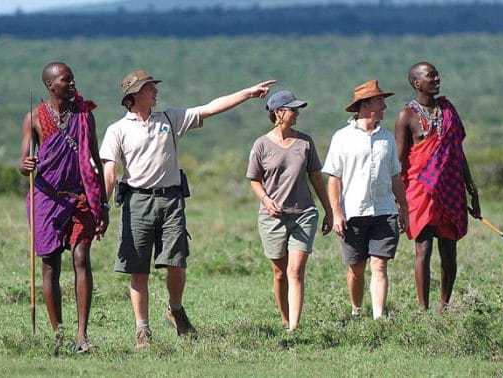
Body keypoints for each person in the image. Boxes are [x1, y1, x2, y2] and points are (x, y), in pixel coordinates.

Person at [100, 69, 275, 348]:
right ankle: (142, 329)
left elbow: (209, 108)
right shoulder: (117, 130)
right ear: (134, 95)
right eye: (149, 88)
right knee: (138, 269)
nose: (155, 91)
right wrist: (102, 206)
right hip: (136, 201)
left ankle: (175, 308)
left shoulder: (170, 118)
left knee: (177, 262)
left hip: (171, 200)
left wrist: (248, 93)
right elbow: (110, 172)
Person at [19, 62, 109, 353]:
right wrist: (26, 164)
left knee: (81, 257)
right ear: (51, 85)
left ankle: (82, 336)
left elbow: (95, 158)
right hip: (46, 199)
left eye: (72, 79)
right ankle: (59, 335)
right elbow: (23, 161)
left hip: (80, 197)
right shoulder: (34, 118)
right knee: (50, 266)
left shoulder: (85, 116)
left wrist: (102, 204)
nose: (72, 84)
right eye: (66, 80)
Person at [394, 62, 481, 314]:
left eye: (437, 74)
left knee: (449, 250)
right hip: (419, 190)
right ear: (416, 83)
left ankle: (444, 305)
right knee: (423, 248)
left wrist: (472, 190)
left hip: (450, 189)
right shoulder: (406, 116)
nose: (436, 78)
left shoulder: (448, 110)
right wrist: (399, 202)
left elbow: (457, 152)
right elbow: (398, 161)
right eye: (430, 76)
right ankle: (423, 309)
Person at [246, 90, 333, 332]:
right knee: (280, 273)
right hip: (272, 217)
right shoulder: (261, 145)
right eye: (293, 109)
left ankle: (293, 327)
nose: (297, 113)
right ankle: (285, 318)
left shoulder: (305, 142)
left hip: (303, 213)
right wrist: (265, 199)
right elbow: (254, 179)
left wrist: (329, 210)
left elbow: (316, 177)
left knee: (295, 271)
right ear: (278, 113)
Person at [323, 80, 408, 320]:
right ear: (365, 105)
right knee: (357, 269)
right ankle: (357, 309)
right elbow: (334, 178)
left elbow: (395, 176)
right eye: (380, 101)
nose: (384, 106)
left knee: (380, 265)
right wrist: (336, 212)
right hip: (354, 212)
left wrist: (403, 206)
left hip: (384, 211)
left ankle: (378, 317)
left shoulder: (387, 138)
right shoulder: (341, 137)